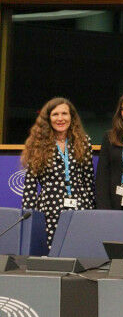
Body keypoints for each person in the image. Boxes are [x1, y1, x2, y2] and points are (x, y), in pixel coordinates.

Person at [21, 97, 95, 248]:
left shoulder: (83, 141)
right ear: (48, 119)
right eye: (55, 114)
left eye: (64, 114)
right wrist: (29, 219)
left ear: (71, 117)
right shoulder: (37, 144)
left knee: (78, 250)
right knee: (50, 253)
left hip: (80, 209)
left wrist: (92, 212)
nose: (60, 118)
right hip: (49, 211)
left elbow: (88, 180)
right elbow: (30, 187)